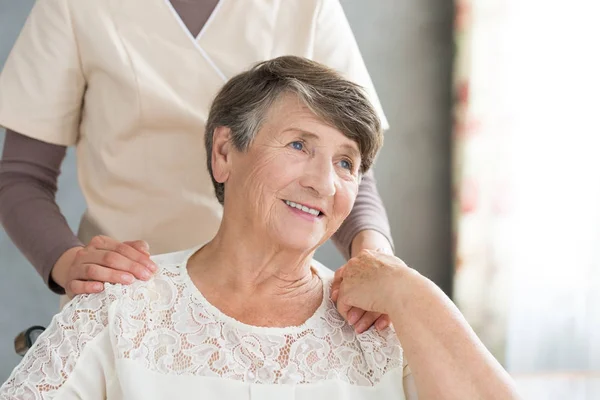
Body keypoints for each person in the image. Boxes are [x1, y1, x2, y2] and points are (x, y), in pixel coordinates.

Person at [0, 56, 519, 400]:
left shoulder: (383, 323)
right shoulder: (120, 306)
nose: (323, 182)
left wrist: (411, 293)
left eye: (346, 163)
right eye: (299, 145)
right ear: (224, 153)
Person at [0, 0, 393, 327]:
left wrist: (376, 262)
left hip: (275, 303)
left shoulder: (308, 6)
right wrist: (69, 263)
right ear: (221, 152)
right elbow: (22, 176)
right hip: (126, 299)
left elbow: (346, 163)